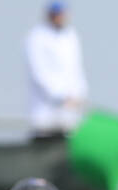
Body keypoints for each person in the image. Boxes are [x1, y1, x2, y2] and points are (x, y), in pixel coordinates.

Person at [25, 3, 88, 138]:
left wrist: (80, 94)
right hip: (46, 110)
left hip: (71, 110)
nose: (59, 17)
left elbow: (76, 69)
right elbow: (39, 73)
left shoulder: (71, 36)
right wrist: (61, 96)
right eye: (56, 14)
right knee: (45, 139)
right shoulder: (36, 38)